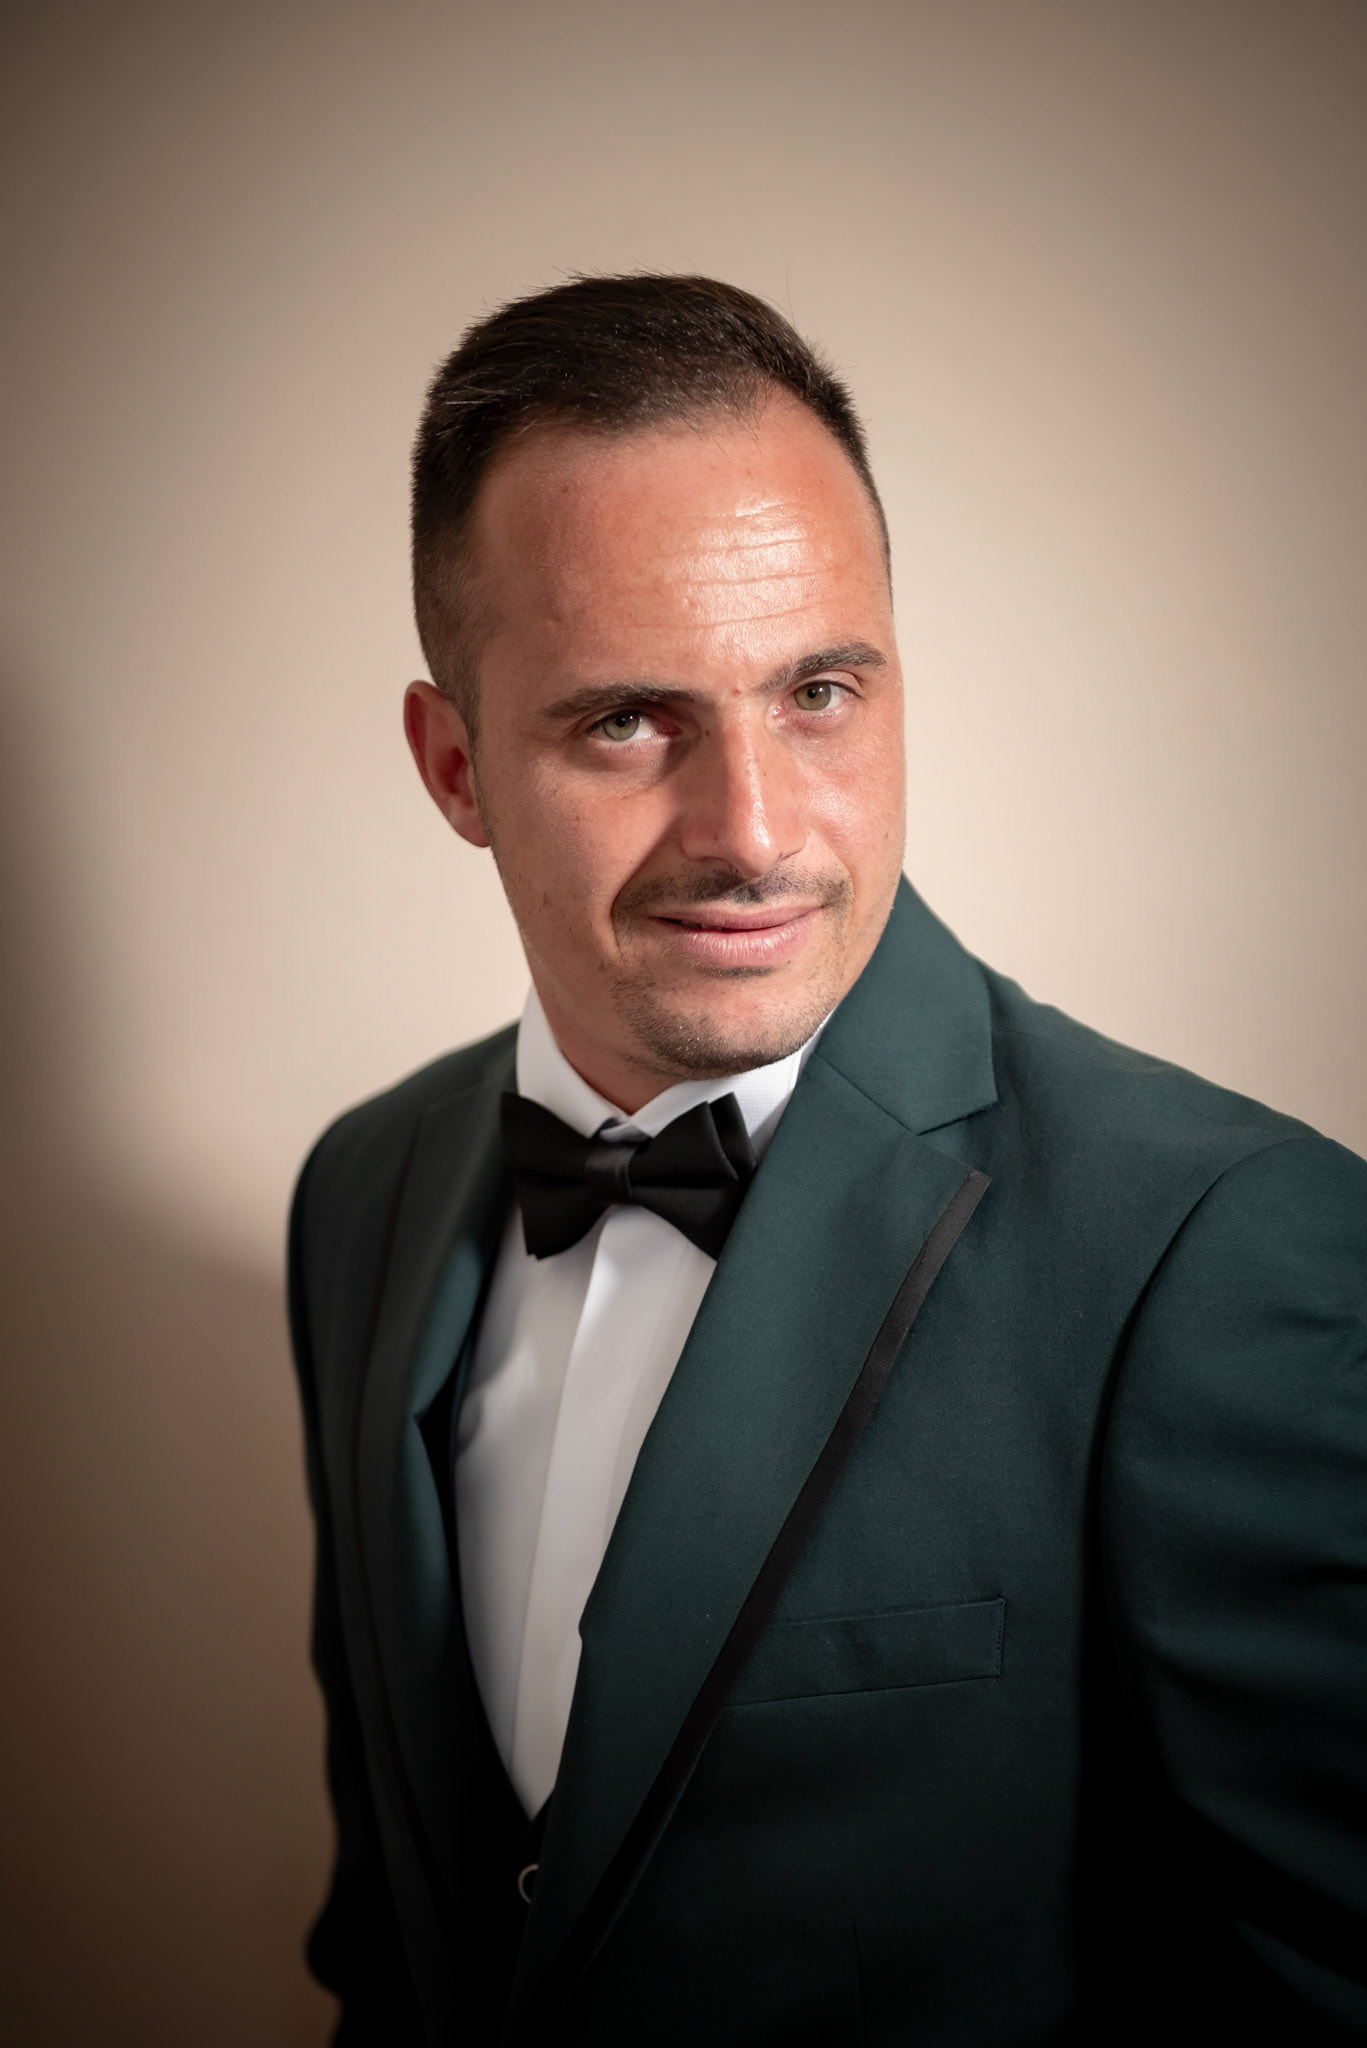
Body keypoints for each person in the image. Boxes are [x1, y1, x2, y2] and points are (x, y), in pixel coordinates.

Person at [288, 274, 1367, 2047]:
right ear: (455, 764)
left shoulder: (1229, 1248)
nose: (755, 831)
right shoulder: (360, 1195)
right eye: (628, 719)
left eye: (818, 691)